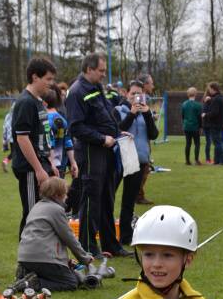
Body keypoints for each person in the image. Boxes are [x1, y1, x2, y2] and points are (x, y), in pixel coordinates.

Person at [66, 52, 132, 258]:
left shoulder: (96, 88)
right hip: (91, 151)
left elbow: (104, 115)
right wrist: (102, 138)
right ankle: (88, 245)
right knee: (91, 199)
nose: (104, 74)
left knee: (106, 198)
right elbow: (76, 127)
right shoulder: (77, 92)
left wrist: (117, 132)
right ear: (89, 69)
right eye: (101, 71)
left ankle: (111, 244)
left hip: (107, 150)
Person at [17, 177, 93, 291]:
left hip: (24, 257)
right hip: (43, 259)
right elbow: (69, 237)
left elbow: (45, 237)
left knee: (61, 274)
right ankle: (34, 283)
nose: (67, 197)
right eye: (65, 194)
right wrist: (84, 258)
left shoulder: (36, 207)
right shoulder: (56, 210)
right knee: (71, 282)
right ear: (57, 195)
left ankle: (25, 275)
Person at [11, 56, 59, 239]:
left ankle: (40, 258)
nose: (51, 84)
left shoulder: (38, 101)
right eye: (48, 79)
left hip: (42, 163)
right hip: (30, 168)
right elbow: (22, 138)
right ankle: (25, 263)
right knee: (32, 214)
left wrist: (50, 162)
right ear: (34, 77)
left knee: (43, 213)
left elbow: (43, 135)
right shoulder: (25, 102)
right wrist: (38, 169)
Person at [115, 81, 159, 245]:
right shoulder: (119, 110)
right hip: (120, 159)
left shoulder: (145, 113)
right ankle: (105, 232)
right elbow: (118, 128)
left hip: (139, 161)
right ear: (126, 94)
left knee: (129, 199)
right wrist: (132, 113)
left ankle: (126, 235)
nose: (136, 97)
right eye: (133, 93)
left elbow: (154, 134)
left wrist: (147, 114)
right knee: (109, 196)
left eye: (139, 93)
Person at [43, 89, 78, 180]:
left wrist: (51, 164)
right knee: (59, 193)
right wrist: (73, 162)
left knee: (47, 193)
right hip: (61, 165)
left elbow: (49, 143)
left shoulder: (45, 121)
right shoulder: (63, 120)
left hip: (49, 166)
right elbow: (68, 142)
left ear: (44, 103)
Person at [136, 73, 156, 204]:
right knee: (143, 167)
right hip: (140, 137)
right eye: (151, 83)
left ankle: (139, 194)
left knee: (145, 166)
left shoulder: (145, 98)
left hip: (144, 136)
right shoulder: (140, 98)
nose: (153, 86)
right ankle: (138, 195)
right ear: (145, 85)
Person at [203, 82, 223, 165]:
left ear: (213, 89)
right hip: (222, 123)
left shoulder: (216, 99)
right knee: (218, 142)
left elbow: (214, 112)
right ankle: (216, 160)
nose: (209, 91)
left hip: (215, 124)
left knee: (217, 143)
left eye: (210, 89)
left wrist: (205, 115)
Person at [181, 87, 202, 165]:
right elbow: (199, 118)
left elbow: (182, 116)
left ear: (187, 94)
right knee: (197, 143)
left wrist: (184, 124)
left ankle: (187, 160)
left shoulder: (184, 104)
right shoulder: (198, 105)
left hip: (186, 126)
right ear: (195, 94)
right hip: (195, 127)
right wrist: (200, 127)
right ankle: (196, 160)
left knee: (188, 143)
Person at [201, 91, 213, 164]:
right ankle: (208, 159)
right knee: (209, 142)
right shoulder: (205, 104)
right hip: (207, 126)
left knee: (209, 142)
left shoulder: (205, 103)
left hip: (208, 125)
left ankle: (209, 158)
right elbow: (203, 114)